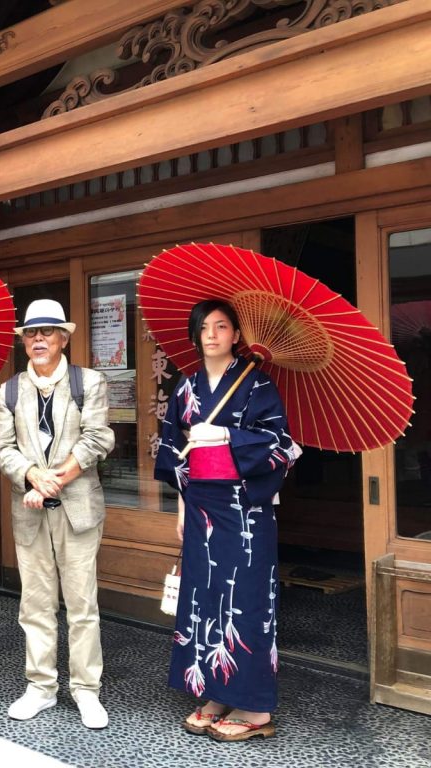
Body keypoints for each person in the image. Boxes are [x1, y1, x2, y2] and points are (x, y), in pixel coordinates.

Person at [154, 299, 296, 742]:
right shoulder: (187, 386)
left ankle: (254, 707)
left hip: (244, 508)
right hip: (200, 506)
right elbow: (174, 450)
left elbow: (281, 444)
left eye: (221, 326)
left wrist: (226, 435)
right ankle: (215, 692)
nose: (211, 335)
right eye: (203, 328)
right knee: (204, 595)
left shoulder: (257, 384)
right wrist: (182, 507)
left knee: (245, 599)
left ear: (236, 335)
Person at [0, 299, 115, 729]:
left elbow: (98, 439)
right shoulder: (9, 390)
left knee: (82, 604)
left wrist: (53, 481)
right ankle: (41, 686)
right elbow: (2, 447)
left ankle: (86, 690)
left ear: (64, 337)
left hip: (77, 507)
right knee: (35, 604)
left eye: (47, 332)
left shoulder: (89, 382)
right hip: (29, 511)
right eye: (31, 333)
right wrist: (31, 475)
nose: (38, 339)